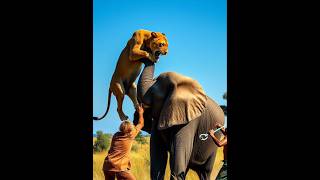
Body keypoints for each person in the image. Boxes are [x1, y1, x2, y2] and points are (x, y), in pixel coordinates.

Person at [102, 105, 144, 180]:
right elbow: (141, 124)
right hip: (120, 167)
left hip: (107, 165)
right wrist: (141, 113)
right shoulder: (130, 135)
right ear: (130, 130)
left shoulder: (116, 135)